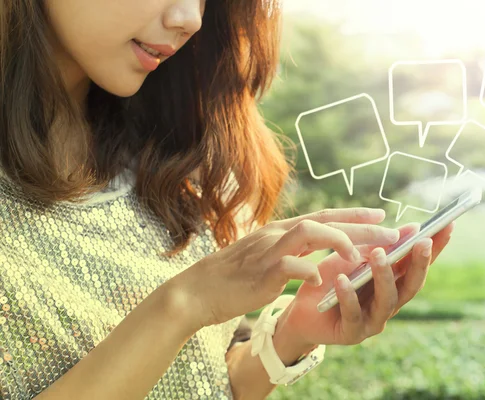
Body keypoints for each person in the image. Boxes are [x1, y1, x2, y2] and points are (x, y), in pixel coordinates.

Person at [0, 0, 454, 399]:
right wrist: (184, 301)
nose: (191, 18)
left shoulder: (166, 152)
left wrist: (294, 331)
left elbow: (202, 382)